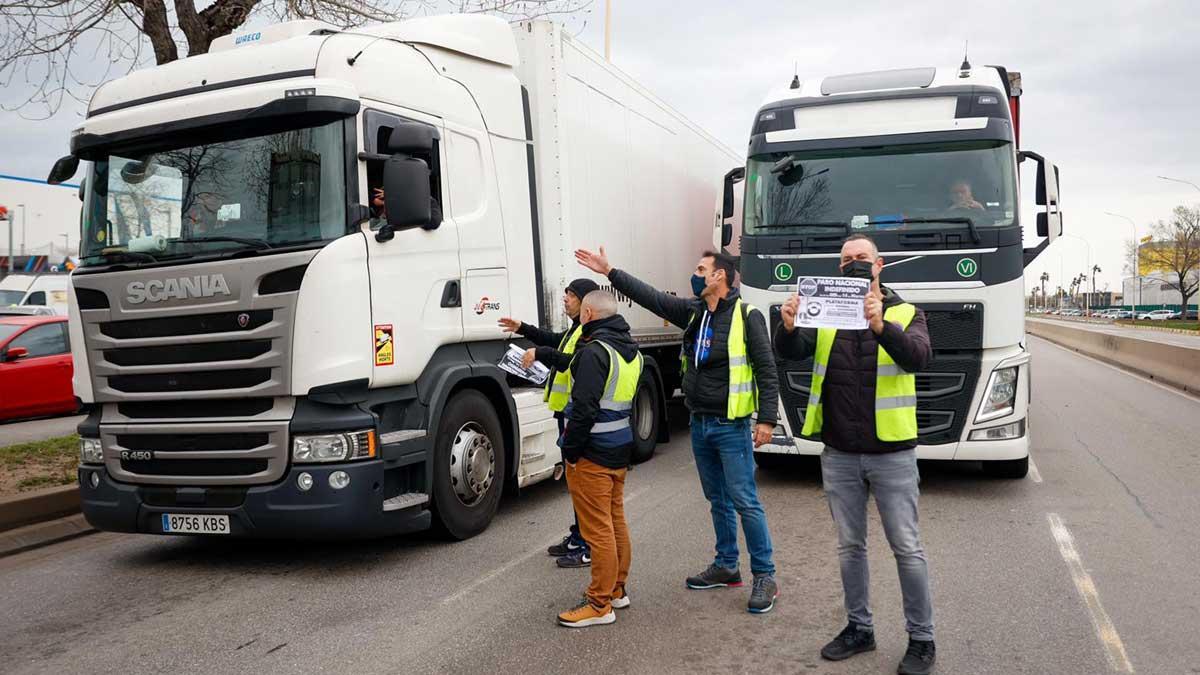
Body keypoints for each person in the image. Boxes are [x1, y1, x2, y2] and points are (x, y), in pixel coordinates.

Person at [575, 247, 781, 614]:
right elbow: (652, 298)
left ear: (720, 276)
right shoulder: (695, 315)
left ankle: (765, 575)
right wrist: (611, 272)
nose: (696, 274)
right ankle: (726, 565)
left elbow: (766, 368)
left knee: (744, 500)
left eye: (701, 269)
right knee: (717, 499)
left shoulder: (746, 317)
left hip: (731, 426)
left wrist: (766, 420)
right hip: (700, 423)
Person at [774, 233, 936, 675]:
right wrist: (787, 325)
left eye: (861, 258)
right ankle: (859, 629)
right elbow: (791, 352)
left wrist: (882, 325)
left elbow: (920, 357)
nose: (853, 264)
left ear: (879, 264)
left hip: (892, 454)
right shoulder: (825, 312)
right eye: (846, 260)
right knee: (850, 546)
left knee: (906, 547)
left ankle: (922, 639)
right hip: (840, 452)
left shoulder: (906, 311)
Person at [498, 278, 601, 569]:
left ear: (585, 302)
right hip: (565, 413)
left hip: (576, 414)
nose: (565, 300)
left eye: (570, 296)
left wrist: (540, 354)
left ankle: (586, 542)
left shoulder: (588, 334)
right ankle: (580, 535)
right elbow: (557, 342)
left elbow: (569, 360)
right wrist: (524, 329)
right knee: (575, 482)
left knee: (582, 483)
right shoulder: (576, 329)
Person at [555, 290, 642, 628]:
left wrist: (570, 452)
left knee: (598, 529)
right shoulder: (630, 351)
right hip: (619, 448)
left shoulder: (594, 352)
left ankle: (599, 604)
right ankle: (617, 590)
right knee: (615, 520)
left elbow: (585, 410)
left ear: (588, 313)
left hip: (593, 452)